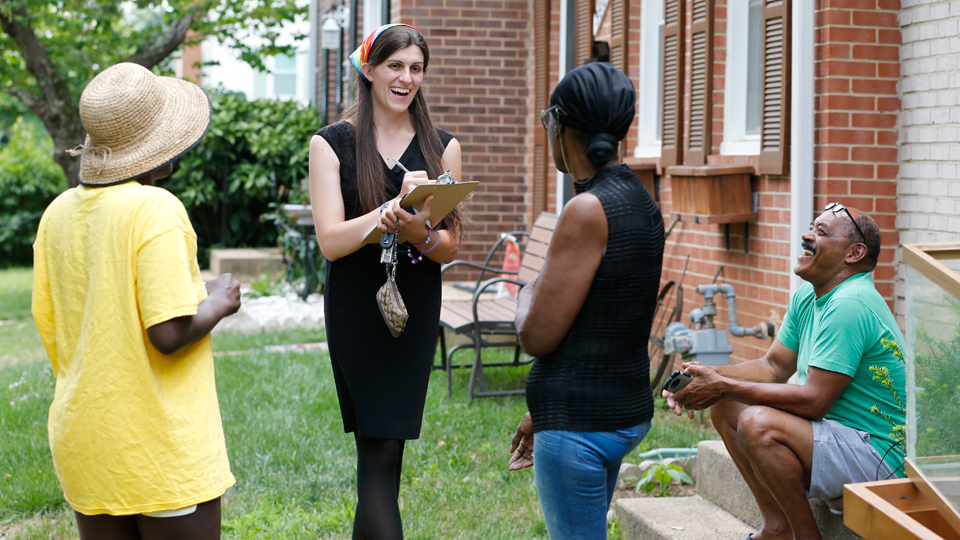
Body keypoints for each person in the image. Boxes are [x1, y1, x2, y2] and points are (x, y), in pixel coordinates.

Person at [31, 63, 241, 539]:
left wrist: (197, 298)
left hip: (87, 439)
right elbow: (166, 334)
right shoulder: (155, 208)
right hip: (157, 444)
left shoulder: (58, 213)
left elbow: (87, 313)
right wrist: (221, 300)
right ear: (160, 154)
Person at [662, 204, 906, 540]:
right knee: (728, 404)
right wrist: (707, 375)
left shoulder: (851, 303)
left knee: (757, 423)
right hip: (838, 438)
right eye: (811, 227)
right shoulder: (810, 294)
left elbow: (814, 401)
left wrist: (723, 385)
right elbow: (773, 367)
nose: (807, 236)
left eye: (821, 232)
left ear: (854, 253)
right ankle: (778, 528)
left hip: (879, 457)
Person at [307, 23, 463, 540]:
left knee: (387, 449)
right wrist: (387, 214)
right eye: (395, 66)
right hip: (358, 308)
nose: (406, 78)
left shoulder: (443, 148)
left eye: (416, 68)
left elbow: (449, 248)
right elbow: (330, 240)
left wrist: (419, 230)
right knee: (377, 448)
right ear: (369, 70)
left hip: (414, 309)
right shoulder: (332, 145)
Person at [507, 62, 665, 539]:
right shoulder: (641, 199)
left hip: (580, 427)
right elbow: (605, 319)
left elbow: (536, 333)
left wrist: (525, 289)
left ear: (560, 123)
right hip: (620, 409)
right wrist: (543, 410)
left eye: (545, 119)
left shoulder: (587, 209)